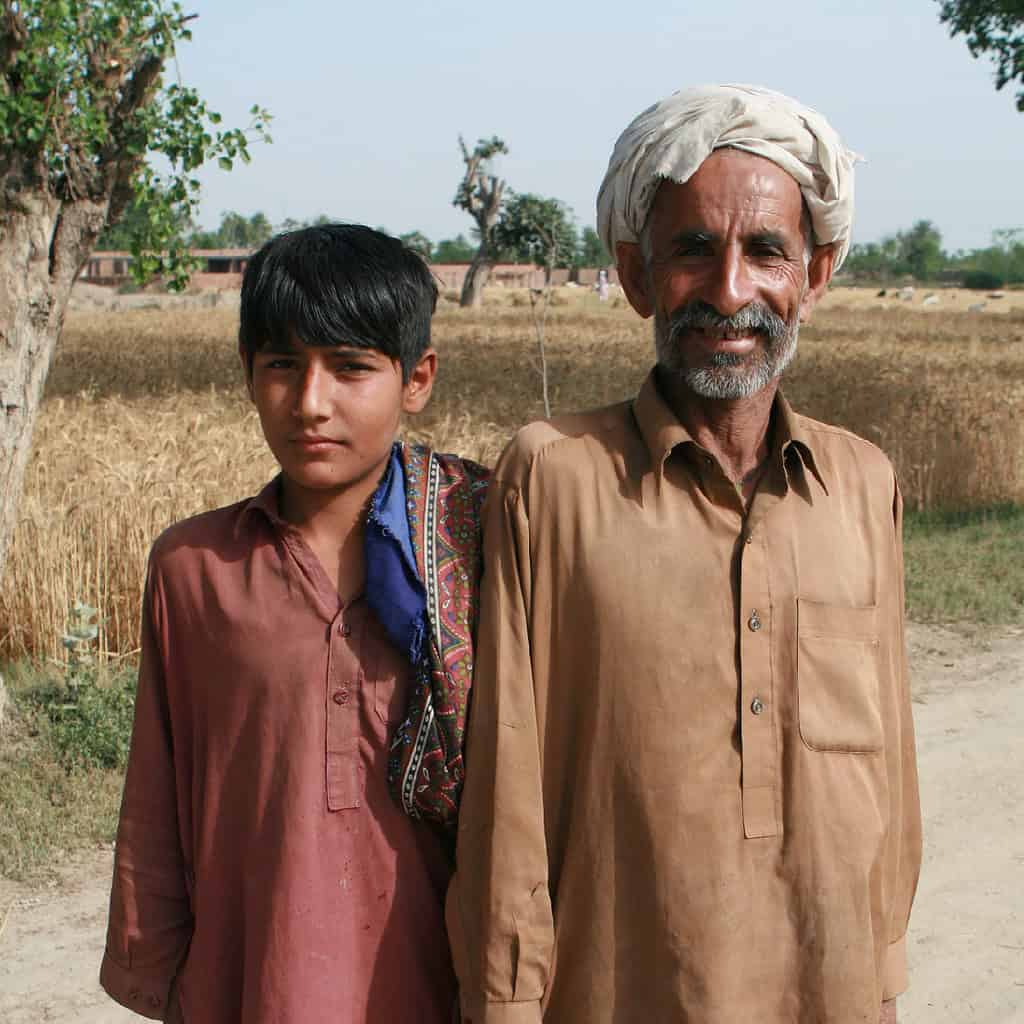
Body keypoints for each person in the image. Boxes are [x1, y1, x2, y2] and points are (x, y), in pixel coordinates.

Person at [448, 85, 922, 1024]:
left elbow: (891, 774)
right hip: (617, 988)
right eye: (694, 249)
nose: (731, 291)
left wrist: (881, 968)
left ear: (815, 275)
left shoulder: (863, 484)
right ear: (634, 275)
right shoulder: (555, 476)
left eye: (766, 251)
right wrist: (504, 999)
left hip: (828, 989)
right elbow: (508, 780)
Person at [100, 224, 488, 1022]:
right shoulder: (195, 568)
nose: (311, 403)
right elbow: (157, 796)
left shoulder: (483, 548)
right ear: (248, 374)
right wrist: (161, 973)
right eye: (283, 365)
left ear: (417, 379)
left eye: (351, 368)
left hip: (437, 983)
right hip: (254, 981)